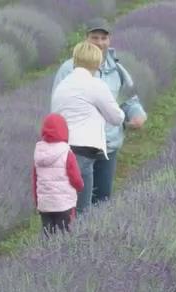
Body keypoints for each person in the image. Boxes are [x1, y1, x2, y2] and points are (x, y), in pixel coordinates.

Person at [51, 18, 147, 208]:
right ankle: (75, 236)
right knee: (78, 204)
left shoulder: (117, 69)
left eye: (104, 38)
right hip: (76, 147)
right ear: (86, 39)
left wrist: (137, 114)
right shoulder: (68, 70)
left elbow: (129, 99)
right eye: (95, 37)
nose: (100, 42)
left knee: (102, 201)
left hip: (108, 146)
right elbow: (57, 110)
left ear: (109, 40)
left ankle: (93, 236)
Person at [51, 41, 125, 214]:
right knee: (82, 211)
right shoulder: (95, 85)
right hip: (82, 152)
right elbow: (117, 117)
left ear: (75, 61)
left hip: (59, 150)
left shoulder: (63, 84)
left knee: (61, 207)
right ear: (98, 63)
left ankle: (54, 239)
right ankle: (75, 240)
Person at [32, 113, 84, 236]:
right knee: (64, 235)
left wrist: (37, 201)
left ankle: (44, 255)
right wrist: (80, 186)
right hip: (64, 204)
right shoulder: (66, 152)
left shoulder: (39, 152)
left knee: (48, 235)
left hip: (45, 205)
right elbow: (75, 177)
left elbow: (35, 179)